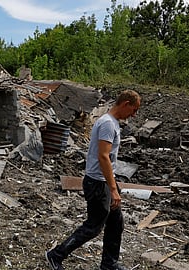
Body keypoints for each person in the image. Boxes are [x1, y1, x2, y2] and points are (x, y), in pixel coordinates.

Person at [46, 90, 141, 270]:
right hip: (98, 182)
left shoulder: (112, 123)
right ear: (125, 104)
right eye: (134, 110)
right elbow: (103, 156)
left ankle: (109, 263)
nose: (133, 115)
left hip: (105, 181)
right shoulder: (107, 124)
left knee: (116, 222)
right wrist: (113, 189)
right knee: (94, 226)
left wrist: (113, 185)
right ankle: (56, 255)